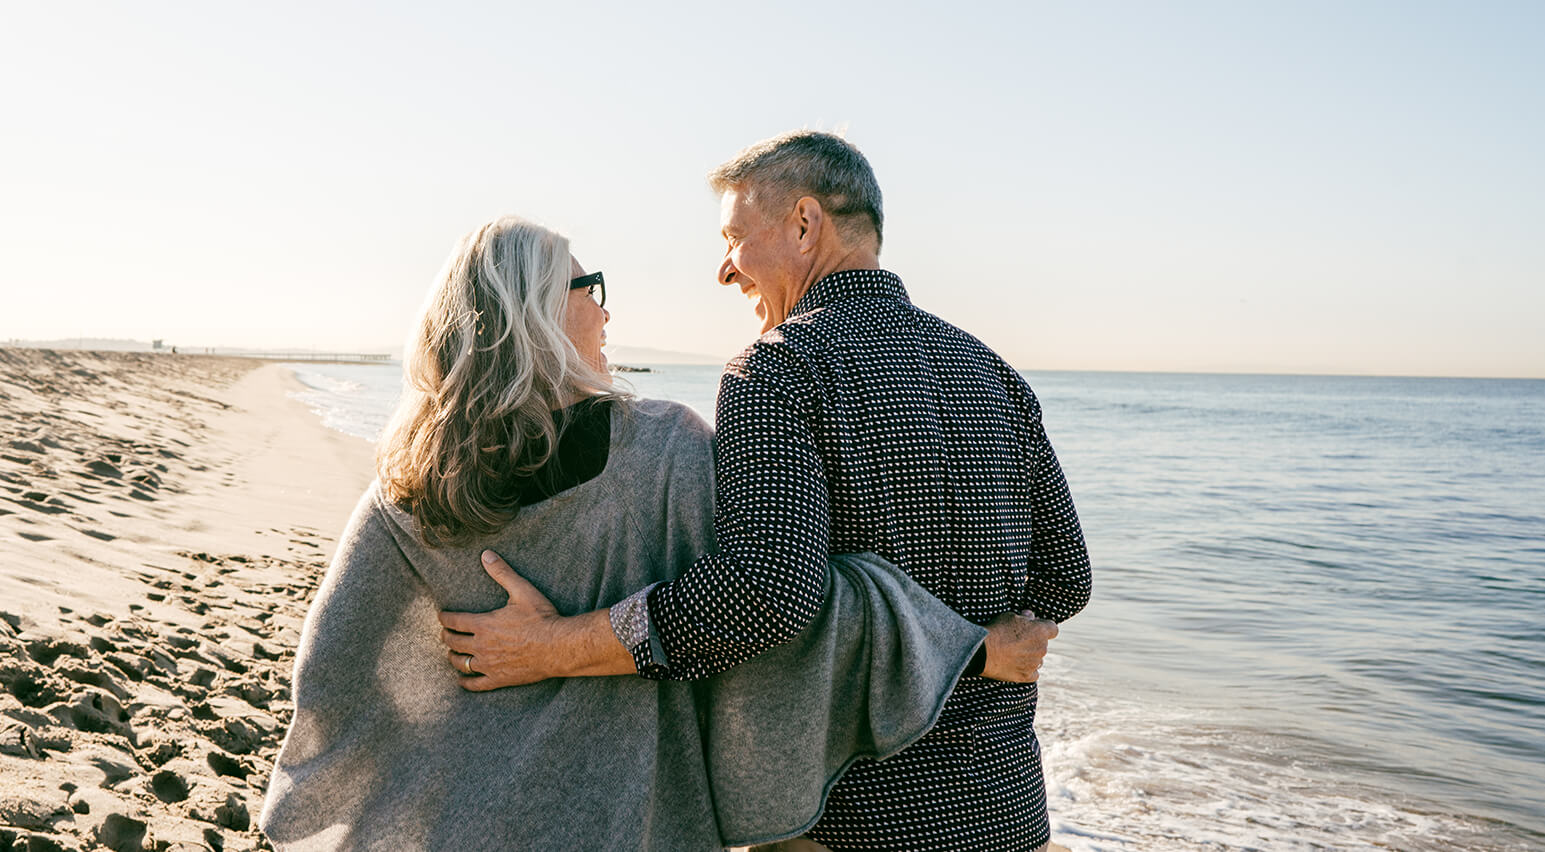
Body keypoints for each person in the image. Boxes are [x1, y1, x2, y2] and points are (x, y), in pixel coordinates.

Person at [258, 215, 1049, 851]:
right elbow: (784, 603)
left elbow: (331, 689)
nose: (605, 308)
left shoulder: (407, 483)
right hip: (630, 821)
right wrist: (969, 645)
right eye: (588, 286)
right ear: (533, 310)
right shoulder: (666, 455)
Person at [442, 133, 1092, 851]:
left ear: (805, 224)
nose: (725, 270)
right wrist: (975, 643)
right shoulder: (990, 371)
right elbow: (1065, 581)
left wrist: (552, 648)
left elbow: (764, 593)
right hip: (1006, 808)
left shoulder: (778, 369)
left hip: (847, 819)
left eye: (734, 238)